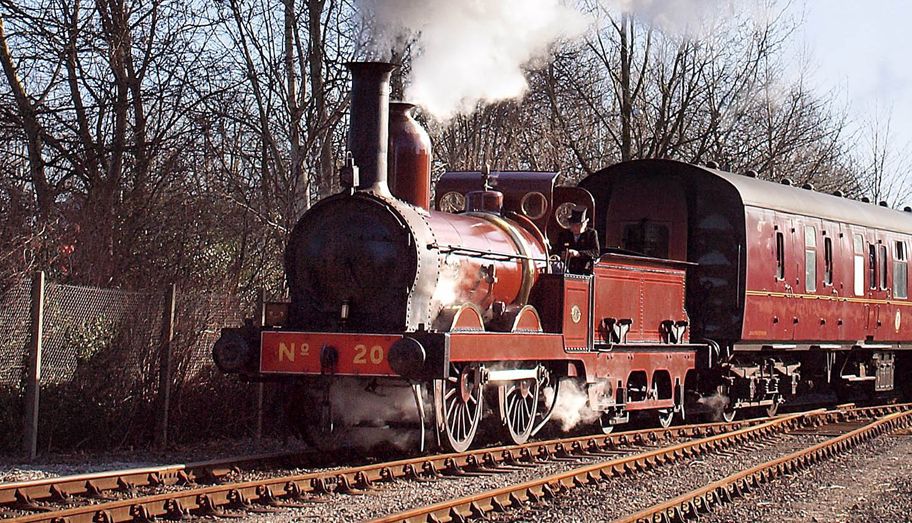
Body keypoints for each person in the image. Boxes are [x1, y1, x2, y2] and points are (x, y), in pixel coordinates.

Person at [554, 206, 600, 273]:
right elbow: (555, 251)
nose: (575, 228)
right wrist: (562, 255)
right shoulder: (564, 235)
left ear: (585, 224)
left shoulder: (591, 234)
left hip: (583, 270)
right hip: (565, 270)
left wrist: (578, 254)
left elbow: (596, 252)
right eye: (573, 225)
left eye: (578, 225)